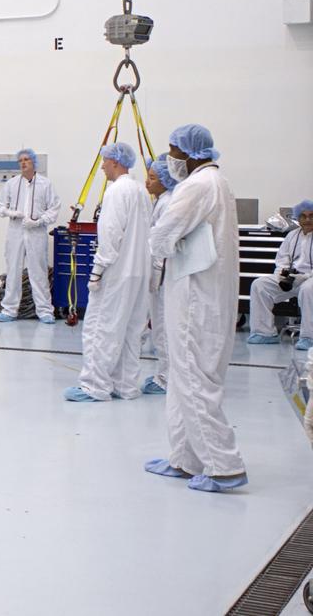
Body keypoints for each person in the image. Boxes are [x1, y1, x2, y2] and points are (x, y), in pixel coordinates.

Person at [145, 124, 247, 493]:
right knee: (183, 378)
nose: (170, 158)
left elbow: (160, 236)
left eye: (173, 150)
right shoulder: (217, 183)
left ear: (190, 152)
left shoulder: (197, 185)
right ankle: (185, 459)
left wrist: (161, 247)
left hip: (194, 296)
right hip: (204, 292)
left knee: (193, 378)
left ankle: (223, 466)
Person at [64, 143, 152, 402]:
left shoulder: (116, 191)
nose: (102, 166)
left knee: (101, 328)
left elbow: (111, 233)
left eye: (104, 161)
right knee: (130, 332)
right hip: (139, 272)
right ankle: (125, 386)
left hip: (117, 272)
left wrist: (98, 269)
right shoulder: (141, 191)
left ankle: (95, 386)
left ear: (115, 161)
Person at [0, 148, 61, 323]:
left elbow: (54, 209)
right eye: (20, 160)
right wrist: (10, 212)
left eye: (27, 160)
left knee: (38, 272)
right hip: (15, 232)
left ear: (34, 163)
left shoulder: (45, 184)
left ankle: (45, 311)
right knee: (13, 270)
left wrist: (38, 221)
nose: (23, 163)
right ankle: (9, 309)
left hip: (36, 233)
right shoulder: (12, 184)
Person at [247, 199, 313, 348]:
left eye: (311, 216)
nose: (307, 219)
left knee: (308, 289)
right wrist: (282, 275)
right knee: (259, 285)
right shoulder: (292, 236)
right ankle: (263, 333)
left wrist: (306, 277)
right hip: (292, 279)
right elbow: (282, 258)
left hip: (310, 280)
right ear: (298, 218)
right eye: (303, 216)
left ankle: (309, 337)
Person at [140, 154, 179, 394]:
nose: (147, 182)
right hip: (159, 270)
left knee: (163, 325)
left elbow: (160, 240)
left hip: (163, 271)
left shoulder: (167, 202)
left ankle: (166, 378)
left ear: (165, 180)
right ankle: (166, 373)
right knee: (160, 324)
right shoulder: (161, 200)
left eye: (152, 177)